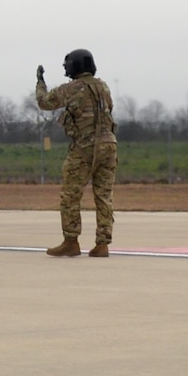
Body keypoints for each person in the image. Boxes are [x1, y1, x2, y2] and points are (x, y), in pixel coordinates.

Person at [35, 49, 116, 258]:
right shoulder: (103, 86)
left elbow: (44, 102)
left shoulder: (71, 89)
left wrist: (40, 82)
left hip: (85, 147)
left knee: (71, 195)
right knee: (104, 196)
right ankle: (102, 244)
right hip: (109, 146)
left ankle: (71, 241)